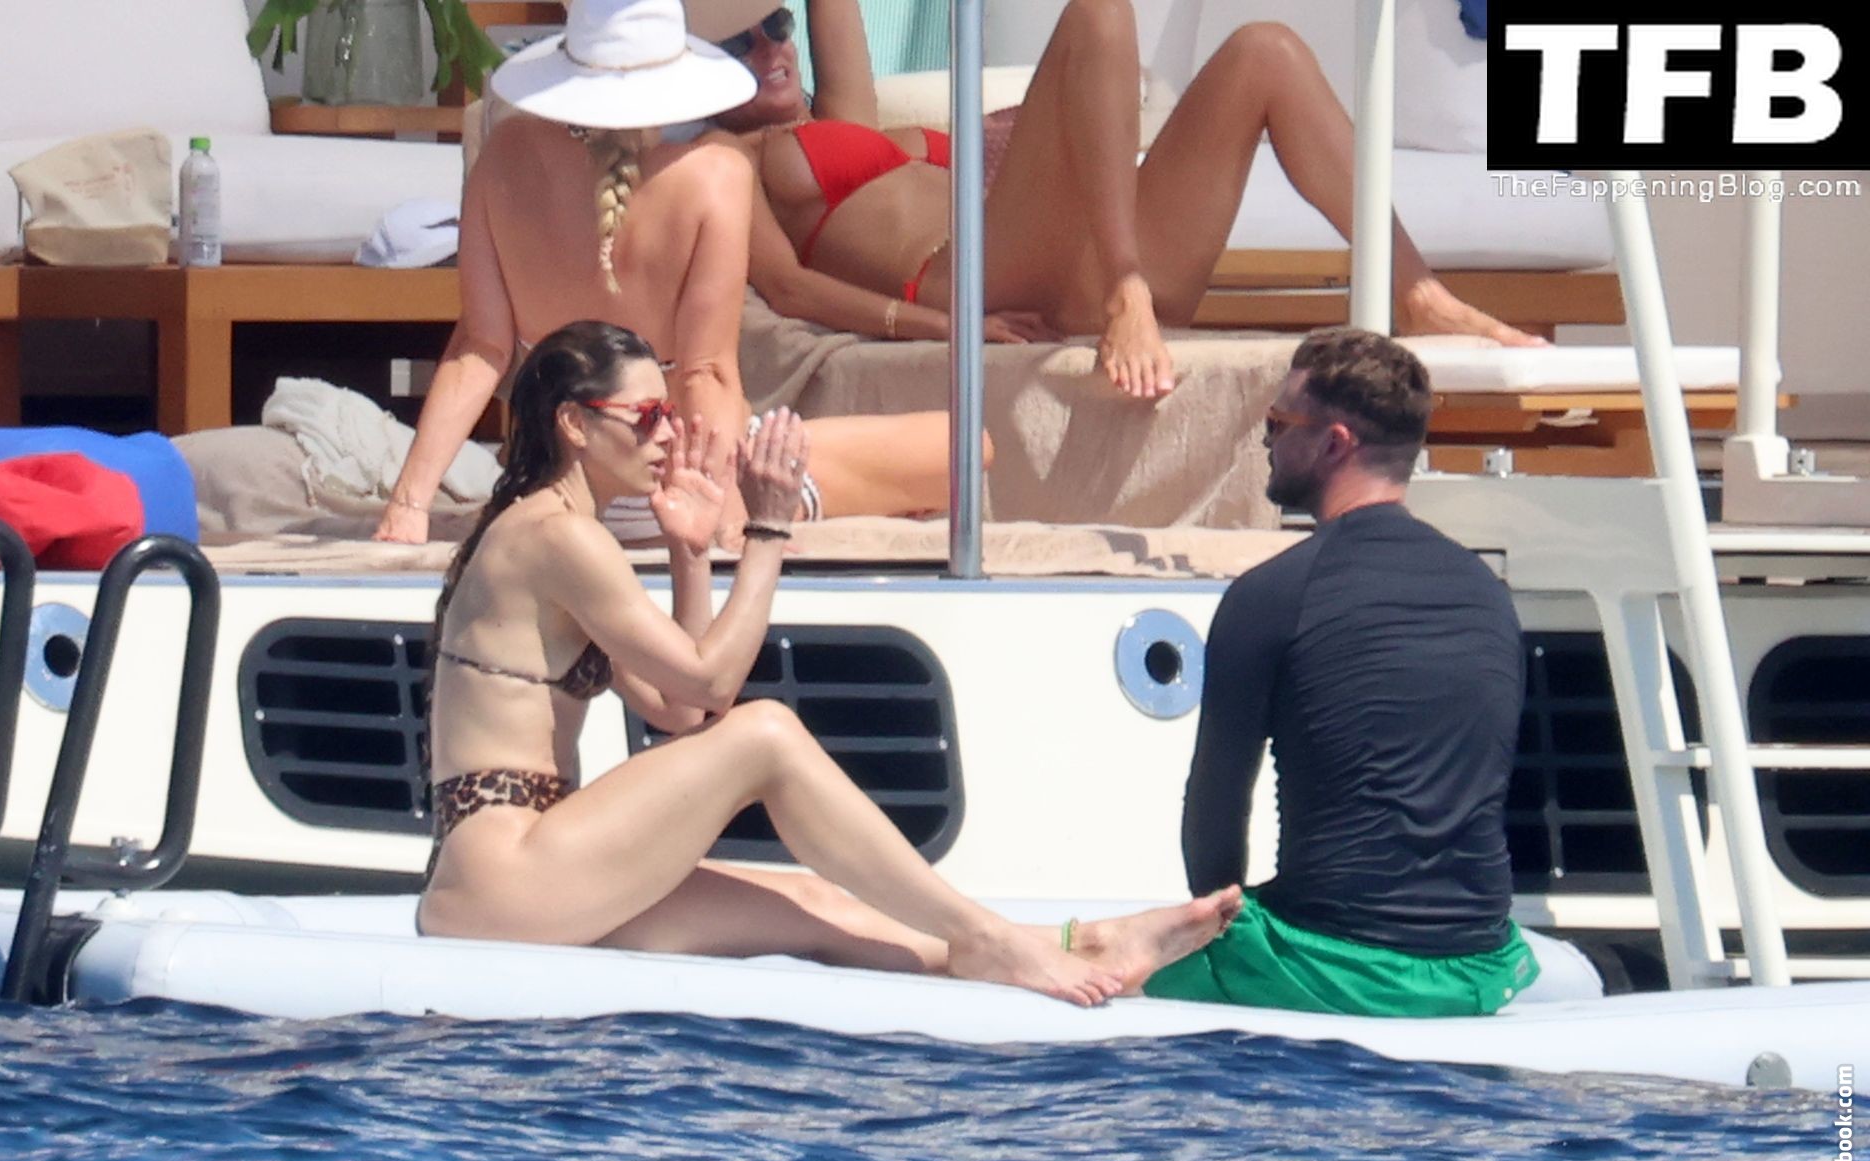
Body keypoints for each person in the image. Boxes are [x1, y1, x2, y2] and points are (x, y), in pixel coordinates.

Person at [416, 318, 1242, 1004]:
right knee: (767, 733)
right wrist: (768, 530)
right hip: (506, 878)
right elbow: (713, 686)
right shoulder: (557, 536)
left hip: (525, 876)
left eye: (667, 411)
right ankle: (990, 937)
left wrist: (690, 553)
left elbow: (681, 712)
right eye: (646, 416)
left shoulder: (564, 534)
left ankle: (1075, 943)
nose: (667, 432)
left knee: (817, 907)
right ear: (573, 424)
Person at [687, 0, 1547, 402]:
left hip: (1056, 257)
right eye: (739, 41)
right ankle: (1127, 288)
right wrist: (942, 329)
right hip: (963, 282)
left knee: (1267, 50)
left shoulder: (842, 117)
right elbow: (790, 291)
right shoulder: (729, 158)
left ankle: (1417, 291)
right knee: (1099, 8)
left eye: (777, 26)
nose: (770, 48)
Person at [376, 0, 969, 546]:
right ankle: (800, 501)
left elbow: (477, 351)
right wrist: (726, 517)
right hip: (673, 487)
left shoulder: (504, 156)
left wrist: (408, 505)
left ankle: (805, 497)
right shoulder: (716, 173)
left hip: (549, 486)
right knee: (965, 448)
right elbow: (706, 374)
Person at [1144, 328, 1540, 1016]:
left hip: (1334, 967)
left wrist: (1215, 940)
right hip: (1479, 965)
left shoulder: (1272, 595)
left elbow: (1215, 813)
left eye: (1277, 423)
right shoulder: (1489, 593)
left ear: (1334, 443)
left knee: (1098, 963)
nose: (1265, 442)